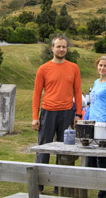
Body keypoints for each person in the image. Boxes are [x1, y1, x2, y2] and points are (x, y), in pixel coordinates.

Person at [32, 33, 83, 167]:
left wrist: (78, 114)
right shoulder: (43, 69)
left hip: (67, 113)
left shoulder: (74, 68)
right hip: (48, 112)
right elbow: (37, 94)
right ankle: (39, 186)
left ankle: (61, 187)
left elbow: (77, 92)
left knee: (66, 149)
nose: (61, 49)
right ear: (52, 48)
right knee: (44, 148)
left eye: (64, 47)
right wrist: (35, 117)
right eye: (58, 46)